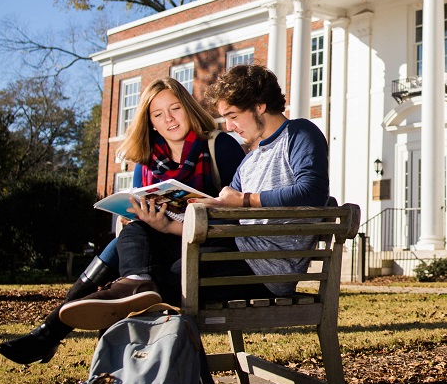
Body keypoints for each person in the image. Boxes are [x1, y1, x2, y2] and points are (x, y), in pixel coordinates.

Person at [58, 64, 330, 331]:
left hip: (268, 269)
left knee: (166, 281)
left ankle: (120, 301)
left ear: (259, 105)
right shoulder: (250, 161)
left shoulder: (299, 133)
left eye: (233, 115)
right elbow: (223, 216)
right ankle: (132, 284)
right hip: (239, 253)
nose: (231, 126)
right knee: (140, 231)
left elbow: (313, 193)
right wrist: (167, 225)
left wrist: (244, 201)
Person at [0, 77, 245, 365]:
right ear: (150, 122)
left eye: (175, 108)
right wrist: (133, 219)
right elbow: (133, 210)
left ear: (188, 109)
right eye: (158, 114)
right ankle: (127, 290)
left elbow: (236, 213)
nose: (169, 119)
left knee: (120, 254)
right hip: (160, 246)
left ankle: (50, 332)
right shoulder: (146, 160)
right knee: (132, 230)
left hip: (207, 245)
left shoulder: (219, 146)